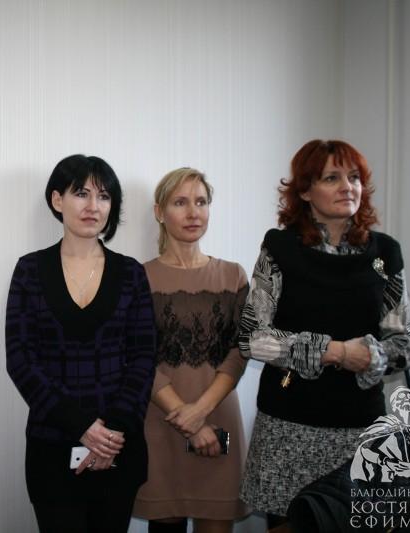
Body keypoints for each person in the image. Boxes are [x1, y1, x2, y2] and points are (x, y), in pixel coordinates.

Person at [238, 140, 410, 531]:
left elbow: (405, 346)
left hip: (361, 429)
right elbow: (252, 337)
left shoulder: (385, 253)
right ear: (305, 191)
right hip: (288, 429)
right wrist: (332, 352)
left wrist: (370, 355)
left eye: (354, 178)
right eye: (332, 178)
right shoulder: (279, 248)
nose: (348, 187)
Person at [5, 154, 156, 533]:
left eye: (103, 196)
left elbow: (143, 356)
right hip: (52, 446)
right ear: (57, 200)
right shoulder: (30, 270)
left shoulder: (131, 273)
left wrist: (112, 431)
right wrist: (82, 426)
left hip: (119, 445)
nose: (93, 206)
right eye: (81, 193)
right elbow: (20, 359)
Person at [132, 168, 250, 533]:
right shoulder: (137, 277)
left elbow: (240, 350)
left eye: (201, 202)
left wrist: (200, 412)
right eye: (180, 202)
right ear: (159, 212)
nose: (193, 212)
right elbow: (136, 356)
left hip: (219, 417)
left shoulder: (233, 275)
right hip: (160, 421)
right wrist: (187, 419)